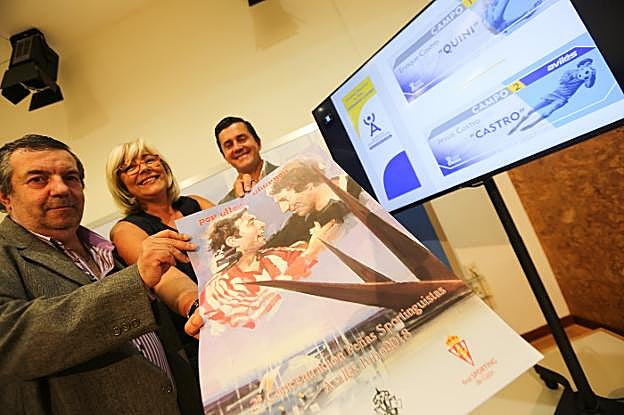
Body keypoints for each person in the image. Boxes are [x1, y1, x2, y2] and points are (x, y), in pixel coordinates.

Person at [0, 134, 203, 414]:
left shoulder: (103, 250)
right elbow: (9, 338)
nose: (60, 189)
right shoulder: (7, 253)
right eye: (38, 179)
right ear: (5, 196)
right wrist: (134, 283)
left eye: (70, 177)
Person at [106, 138, 214, 374]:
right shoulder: (126, 230)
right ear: (121, 184)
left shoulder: (196, 203)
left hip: (244, 307)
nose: (144, 168)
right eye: (130, 167)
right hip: (200, 335)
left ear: (163, 166)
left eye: (148, 160)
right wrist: (197, 307)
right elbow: (165, 279)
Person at [199, 208, 335, 334]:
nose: (262, 224)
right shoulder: (219, 287)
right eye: (251, 223)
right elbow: (257, 318)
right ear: (233, 241)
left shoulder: (276, 256)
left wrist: (316, 246)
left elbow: (321, 266)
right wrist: (310, 254)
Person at [265, 159, 354, 248]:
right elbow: (274, 244)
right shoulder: (299, 220)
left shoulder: (355, 186)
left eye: (284, 199)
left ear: (307, 186)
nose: (284, 209)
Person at [509, 58, 597, 134]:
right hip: (554, 94)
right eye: (587, 64)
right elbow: (562, 82)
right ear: (581, 64)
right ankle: (517, 126)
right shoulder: (569, 72)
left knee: (548, 112)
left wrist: (592, 76)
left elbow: (588, 85)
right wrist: (574, 76)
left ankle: (532, 125)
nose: (588, 66)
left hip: (563, 98)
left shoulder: (586, 76)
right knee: (532, 110)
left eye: (589, 65)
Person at [214, 116, 278, 203]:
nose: (237, 148)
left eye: (242, 139)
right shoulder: (225, 205)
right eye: (229, 145)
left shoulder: (290, 174)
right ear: (224, 157)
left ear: (258, 142)